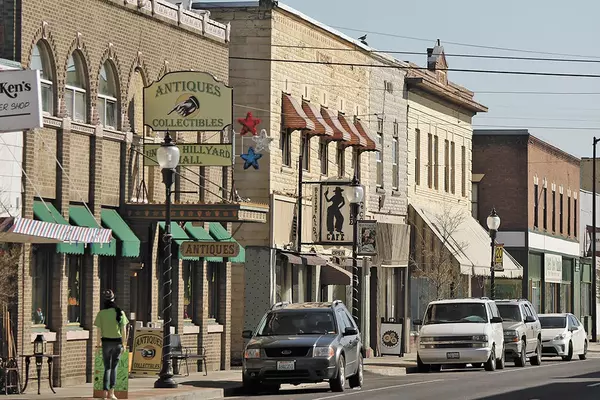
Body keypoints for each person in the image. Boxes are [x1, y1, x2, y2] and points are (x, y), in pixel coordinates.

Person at [94, 290, 129, 400]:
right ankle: (111, 393)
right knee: (114, 367)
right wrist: (124, 344)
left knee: (106, 368)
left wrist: (98, 344)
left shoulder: (101, 314)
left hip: (105, 342)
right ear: (114, 299)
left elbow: (98, 331)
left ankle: (104, 393)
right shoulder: (120, 313)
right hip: (117, 342)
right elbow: (124, 331)